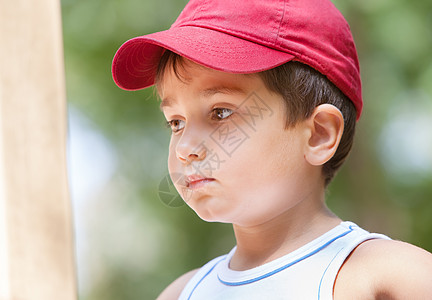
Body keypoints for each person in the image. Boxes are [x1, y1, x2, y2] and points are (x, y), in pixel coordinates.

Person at [111, 0, 432, 299]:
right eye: (176, 122)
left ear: (319, 134)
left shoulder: (385, 277)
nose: (185, 148)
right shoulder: (182, 293)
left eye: (220, 113)